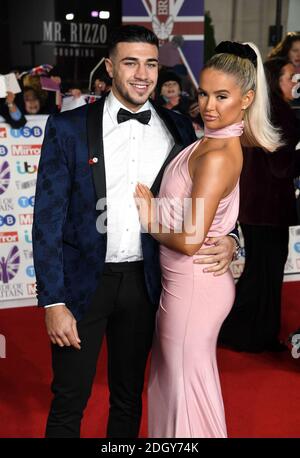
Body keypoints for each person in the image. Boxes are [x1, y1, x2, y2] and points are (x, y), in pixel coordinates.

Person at [32, 26, 238, 438]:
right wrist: (53, 301)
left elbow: (212, 194)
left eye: (150, 64)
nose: (143, 74)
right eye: (130, 63)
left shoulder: (180, 129)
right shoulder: (68, 127)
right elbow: (47, 219)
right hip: (81, 287)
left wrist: (234, 240)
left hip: (147, 284)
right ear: (109, 68)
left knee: (128, 398)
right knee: (69, 398)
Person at [134, 41, 282, 438]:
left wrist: (149, 221)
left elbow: (190, 240)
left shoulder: (217, 154)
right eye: (203, 93)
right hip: (187, 282)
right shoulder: (211, 141)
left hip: (194, 285)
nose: (210, 105)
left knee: (186, 392)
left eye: (222, 96)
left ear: (247, 99)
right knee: (178, 386)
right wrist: (231, 237)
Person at [219, 57, 300, 353]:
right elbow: (281, 166)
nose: (297, 81)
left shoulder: (265, 109)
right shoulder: (276, 111)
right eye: (291, 76)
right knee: (263, 275)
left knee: (260, 273)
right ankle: (245, 333)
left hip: (259, 207)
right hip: (267, 207)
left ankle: (248, 333)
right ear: (274, 79)